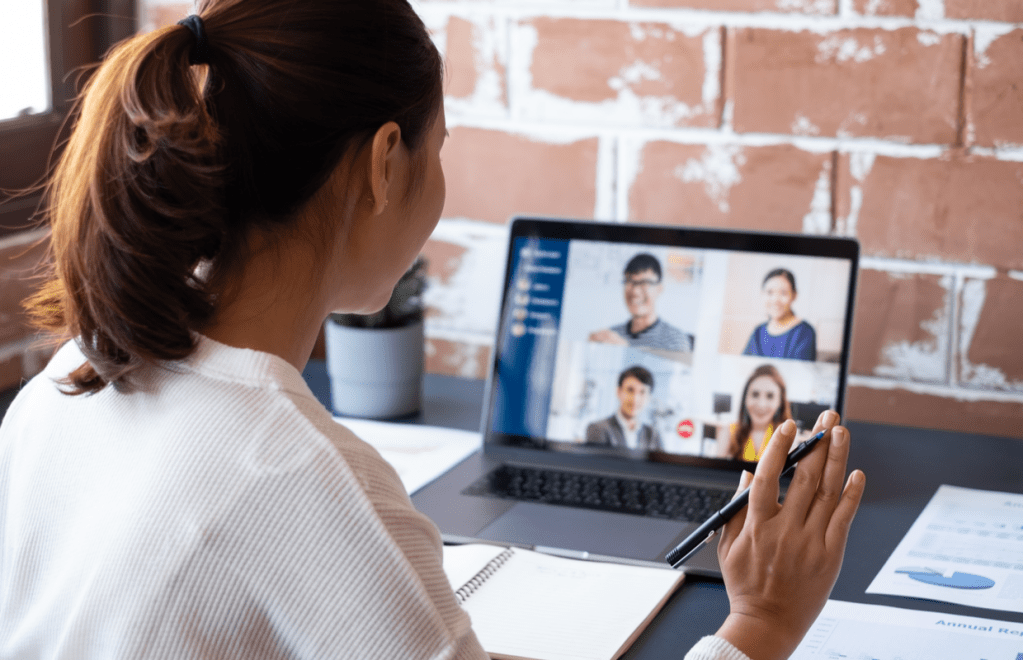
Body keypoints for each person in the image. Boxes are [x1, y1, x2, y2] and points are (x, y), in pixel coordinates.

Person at [0, 2, 865, 659]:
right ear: (383, 163)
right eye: (438, 146)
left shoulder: (70, 380)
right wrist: (758, 625)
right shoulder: (298, 481)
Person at [588, 253, 694, 352]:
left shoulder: (676, 340)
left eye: (644, 283)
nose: (635, 291)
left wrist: (625, 350)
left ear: (659, 289)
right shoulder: (611, 335)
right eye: (629, 282)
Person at [718, 365, 792, 462]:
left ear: (780, 402)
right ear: (745, 398)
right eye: (755, 394)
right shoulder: (728, 432)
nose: (761, 404)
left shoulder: (786, 436)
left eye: (770, 396)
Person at [743, 268, 817, 361]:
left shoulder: (805, 332)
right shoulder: (759, 331)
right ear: (762, 294)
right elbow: (744, 367)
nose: (775, 300)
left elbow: (799, 373)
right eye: (770, 292)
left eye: (783, 293)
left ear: (794, 295)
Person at [584, 365, 663, 451]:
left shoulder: (653, 435)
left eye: (642, 392)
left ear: (648, 398)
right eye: (630, 390)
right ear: (619, 392)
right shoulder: (598, 429)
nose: (635, 399)